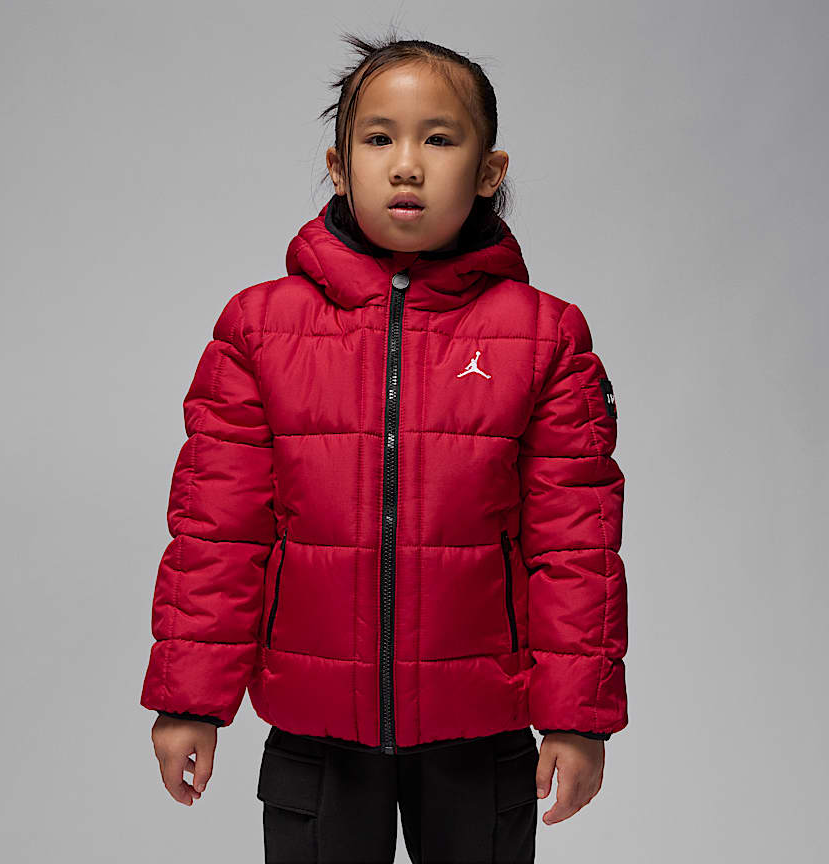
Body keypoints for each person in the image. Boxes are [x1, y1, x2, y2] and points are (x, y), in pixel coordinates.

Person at [141, 31, 628, 864]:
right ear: (339, 167)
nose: (407, 165)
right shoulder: (258, 330)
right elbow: (217, 531)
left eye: (439, 139)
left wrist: (578, 717)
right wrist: (190, 699)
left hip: (482, 731)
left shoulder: (546, 338)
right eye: (379, 139)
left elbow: (576, 544)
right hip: (316, 729)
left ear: (489, 172)